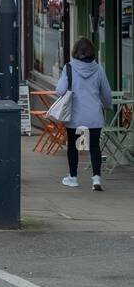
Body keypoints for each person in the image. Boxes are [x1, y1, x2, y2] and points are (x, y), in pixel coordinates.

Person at [56, 37, 114, 190]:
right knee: (94, 146)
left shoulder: (69, 68)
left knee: (73, 146)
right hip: (94, 115)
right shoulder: (99, 69)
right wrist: (108, 106)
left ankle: (73, 177)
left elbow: (60, 90)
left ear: (75, 51)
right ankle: (96, 179)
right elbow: (106, 94)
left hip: (75, 115)